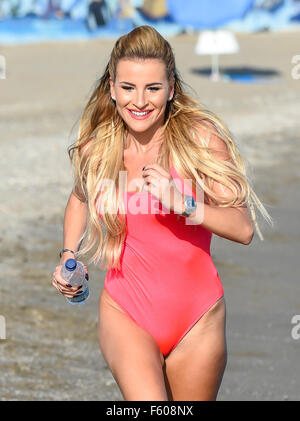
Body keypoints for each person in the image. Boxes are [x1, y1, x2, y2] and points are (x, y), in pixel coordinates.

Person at [52, 25, 273, 401]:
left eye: (152, 88)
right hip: (127, 312)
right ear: (111, 87)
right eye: (128, 88)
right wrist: (68, 255)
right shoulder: (98, 148)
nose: (139, 101)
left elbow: (243, 228)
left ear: (171, 88)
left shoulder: (199, 139)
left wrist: (183, 203)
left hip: (198, 320)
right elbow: (79, 198)